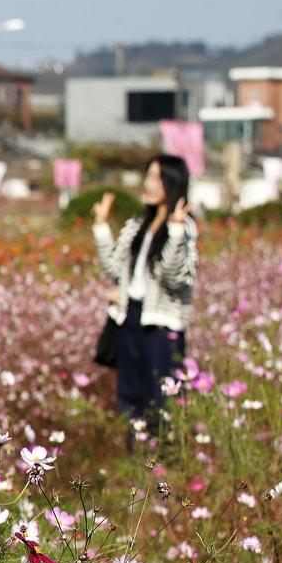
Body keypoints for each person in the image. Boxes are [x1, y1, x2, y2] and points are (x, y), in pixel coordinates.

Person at [91, 154, 198, 429]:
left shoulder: (184, 229)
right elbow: (115, 269)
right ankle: (137, 457)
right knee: (130, 395)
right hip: (131, 318)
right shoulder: (138, 224)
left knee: (160, 398)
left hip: (161, 326)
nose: (148, 184)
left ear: (171, 183)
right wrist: (102, 227)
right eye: (148, 175)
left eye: (155, 177)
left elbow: (173, 278)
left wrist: (174, 233)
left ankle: (162, 460)